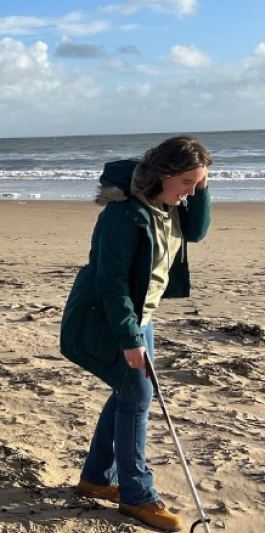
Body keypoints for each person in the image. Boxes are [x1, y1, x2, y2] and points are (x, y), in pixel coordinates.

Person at [60, 136, 212, 532]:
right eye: (187, 185)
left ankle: (96, 477)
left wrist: (202, 190)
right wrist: (129, 340)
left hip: (143, 315)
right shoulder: (122, 215)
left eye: (199, 185)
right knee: (138, 398)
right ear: (163, 175)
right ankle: (137, 495)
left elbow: (196, 232)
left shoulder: (170, 204)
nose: (190, 194)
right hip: (112, 317)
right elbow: (111, 284)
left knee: (129, 392)